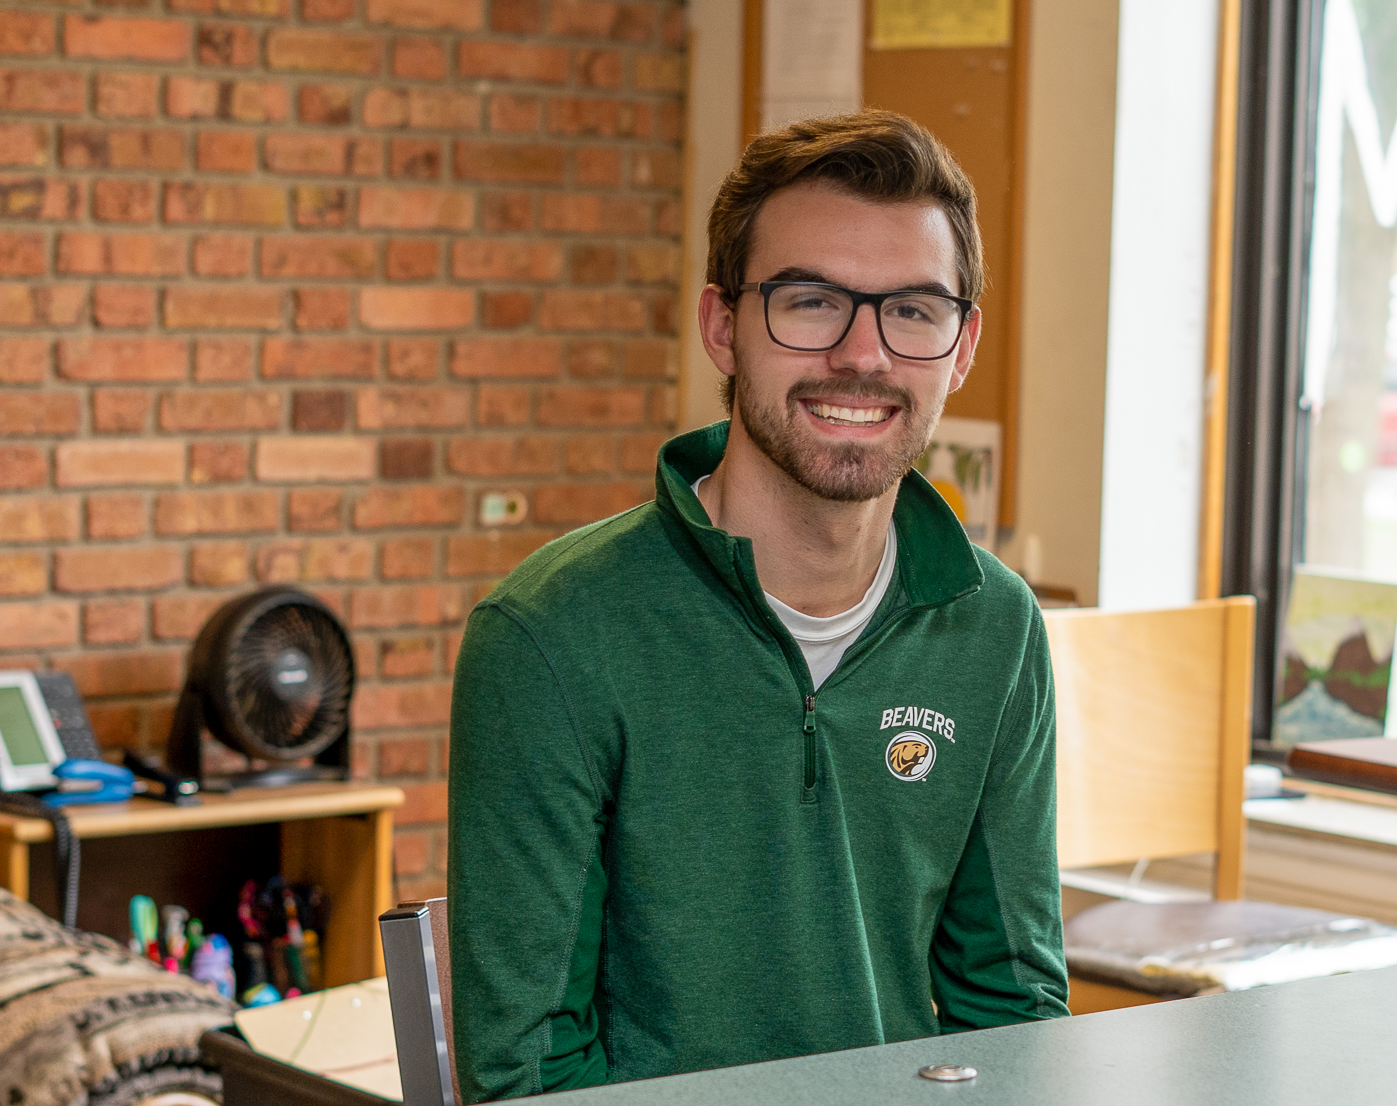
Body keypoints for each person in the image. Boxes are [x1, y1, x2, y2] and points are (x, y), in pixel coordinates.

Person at [447, 110, 1068, 1101]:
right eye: (811, 300)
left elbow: (1015, 1009)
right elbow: (527, 1069)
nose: (863, 354)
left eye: (912, 309)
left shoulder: (994, 626)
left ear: (961, 345)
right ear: (722, 326)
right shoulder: (552, 635)